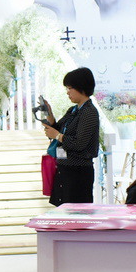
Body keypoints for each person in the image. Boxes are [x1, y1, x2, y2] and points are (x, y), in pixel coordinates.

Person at [40, 66, 100, 205]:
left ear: (81, 87)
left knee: (77, 211)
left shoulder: (89, 112)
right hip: (64, 168)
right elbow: (58, 129)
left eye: (69, 88)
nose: (67, 92)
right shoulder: (73, 110)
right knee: (63, 209)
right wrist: (49, 113)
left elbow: (79, 143)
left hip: (78, 171)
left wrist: (58, 136)